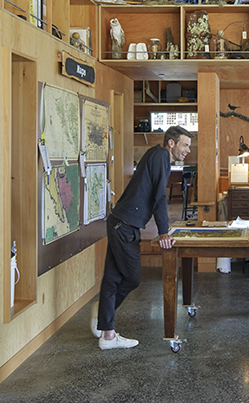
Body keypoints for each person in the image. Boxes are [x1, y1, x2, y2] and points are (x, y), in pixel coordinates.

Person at [92, 125, 191, 350]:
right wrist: (163, 232)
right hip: (124, 226)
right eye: (185, 145)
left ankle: (106, 332)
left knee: (112, 278)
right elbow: (158, 197)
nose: (187, 151)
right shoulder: (160, 156)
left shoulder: (157, 154)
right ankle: (103, 321)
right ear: (172, 143)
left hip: (121, 223)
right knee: (132, 278)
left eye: (189, 147)